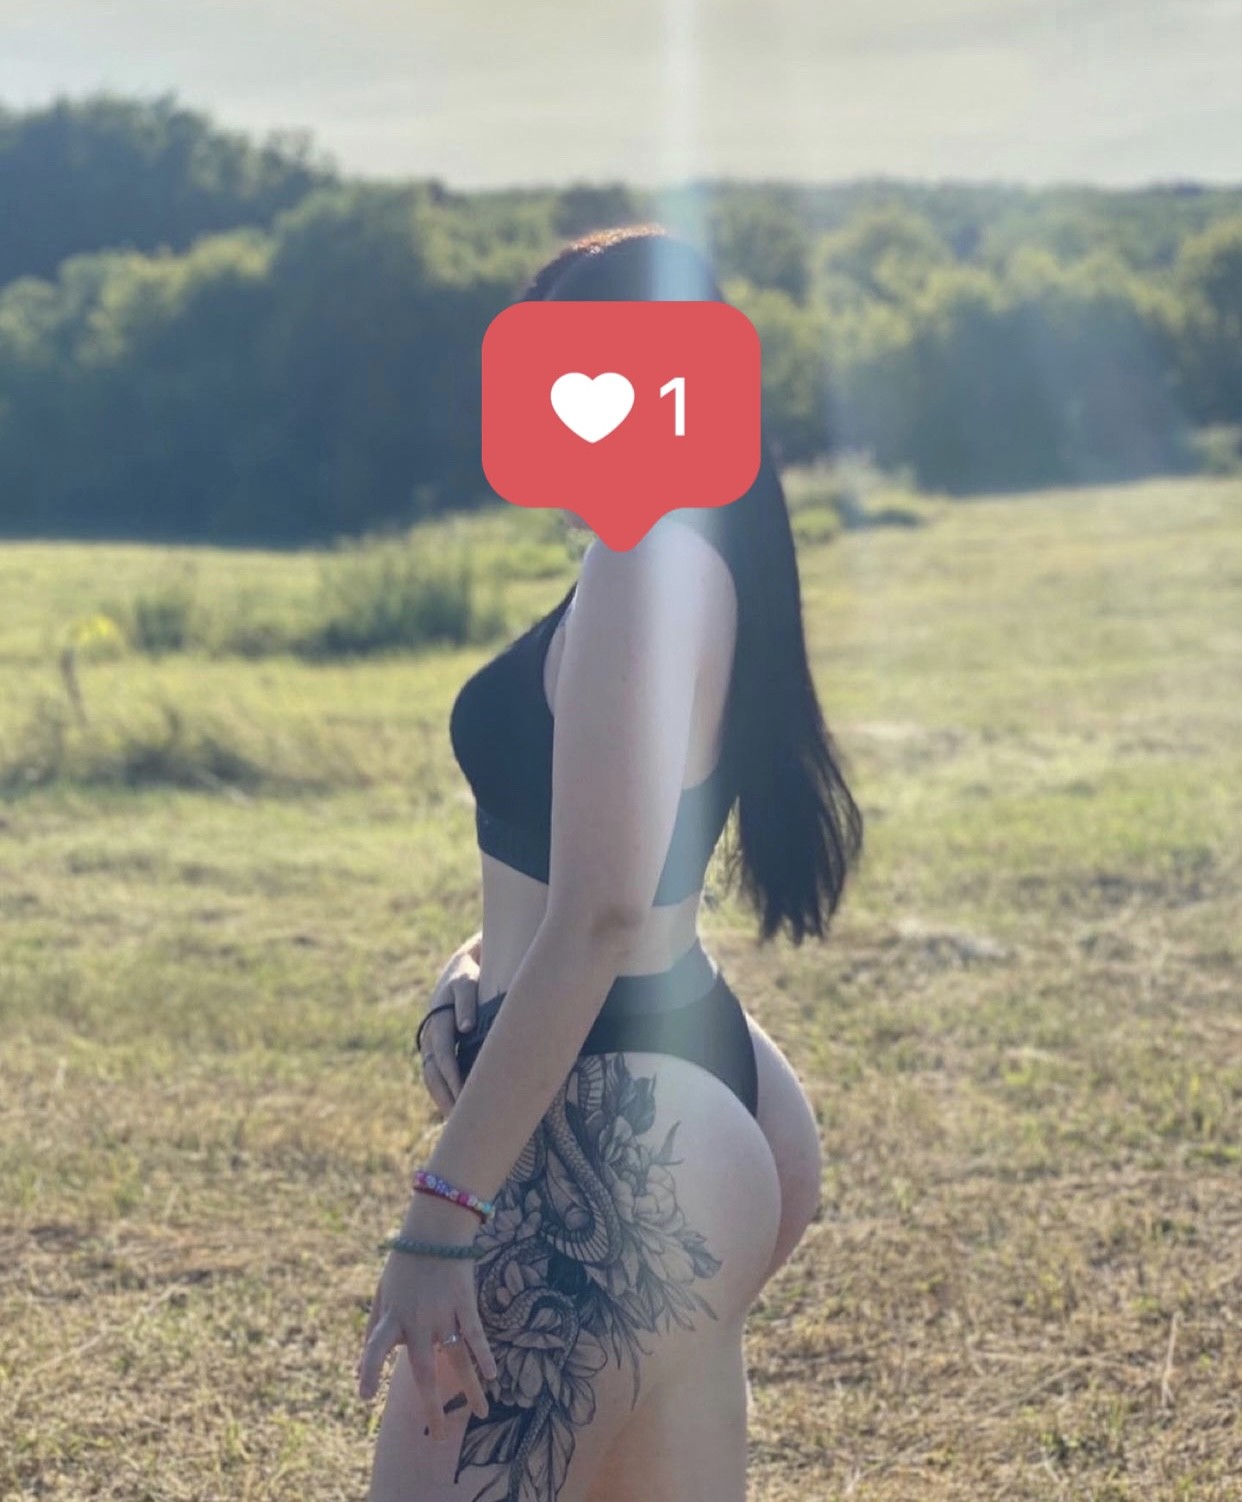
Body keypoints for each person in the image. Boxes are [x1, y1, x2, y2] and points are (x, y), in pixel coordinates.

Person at [360, 225, 865, 1502]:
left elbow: (595, 916)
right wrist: (478, 961)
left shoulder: (644, 564)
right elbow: (604, 878)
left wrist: (441, 1213)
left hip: (626, 1129)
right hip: (683, 1087)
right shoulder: (696, 549)